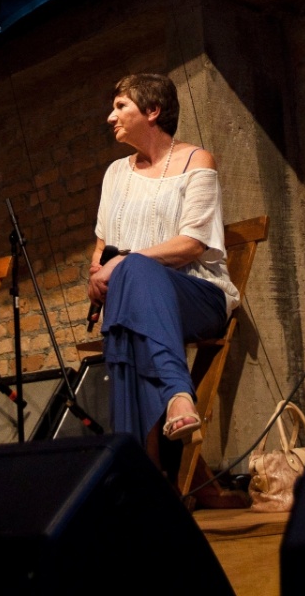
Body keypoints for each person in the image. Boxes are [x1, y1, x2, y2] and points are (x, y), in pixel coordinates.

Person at [88, 74, 237, 444]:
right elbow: (101, 247)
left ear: (152, 111)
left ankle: (172, 397)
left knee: (135, 273)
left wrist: (124, 263)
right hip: (134, 302)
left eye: (121, 106)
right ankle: (153, 460)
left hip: (198, 295)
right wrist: (97, 274)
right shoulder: (115, 174)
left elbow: (192, 245)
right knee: (126, 318)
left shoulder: (196, 160)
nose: (111, 116)